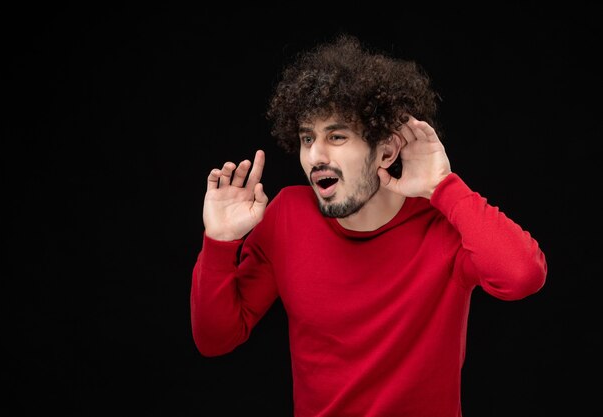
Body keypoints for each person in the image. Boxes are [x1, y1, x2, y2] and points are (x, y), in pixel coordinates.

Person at [190, 34, 547, 417]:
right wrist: (220, 243)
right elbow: (216, 338)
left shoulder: (443, 225)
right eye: (307, 137)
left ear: (387, 150)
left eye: (337, 136)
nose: (315, 156)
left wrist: (444, 188)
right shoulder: (287, 215)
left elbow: (522, 274)